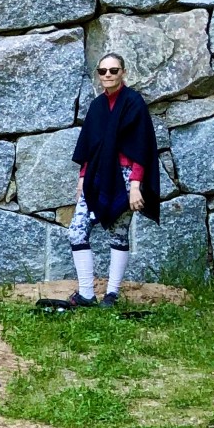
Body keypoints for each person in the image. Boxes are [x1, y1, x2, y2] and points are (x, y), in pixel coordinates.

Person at [69, 53, 161, 307]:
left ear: (123, 72)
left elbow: (142, 147)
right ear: (98, 75)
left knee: (119, 234)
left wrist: (135, 186)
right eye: (103, 71)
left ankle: (111, 294)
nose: (108, 75)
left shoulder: (134, 102)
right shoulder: (97, 106)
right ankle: (86, 293)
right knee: (77, 232)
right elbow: (91, 147)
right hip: (97, 175)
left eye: (113, 70)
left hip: (124, 178)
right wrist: (82, 179)